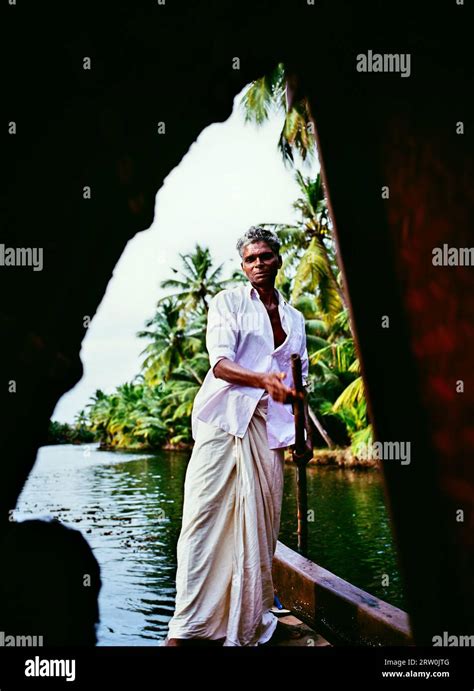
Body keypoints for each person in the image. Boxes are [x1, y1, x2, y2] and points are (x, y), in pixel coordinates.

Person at [164, 226, 310, 647]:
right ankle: (187, 626)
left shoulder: (296, 318)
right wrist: (264, 380)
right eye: (250, 259)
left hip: (269, 427)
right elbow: (221, 366)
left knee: (261, 527)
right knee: (202, 521)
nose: (258, 264)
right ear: (242, 265)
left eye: (265, 256)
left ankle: (246, 622)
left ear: (278, 259)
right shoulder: (227, 302)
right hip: (223, 422)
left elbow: (299, 379)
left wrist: (304, 432)